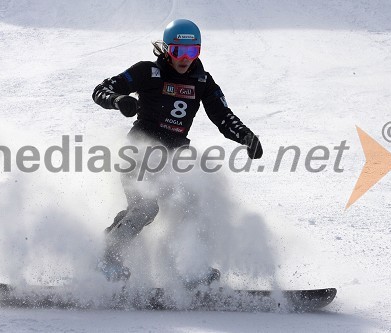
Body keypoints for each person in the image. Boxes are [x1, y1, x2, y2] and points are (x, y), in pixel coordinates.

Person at [92, 19, 263, 283]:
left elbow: (223, 116)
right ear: (166, 50)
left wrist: (246, 136)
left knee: (194, 204)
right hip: (138, 153)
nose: (185, 59)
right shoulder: (147, 72)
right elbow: (101, 90)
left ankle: (193, 270)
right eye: (178, 51)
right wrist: (119, 100)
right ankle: (107, 258)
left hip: (173, 158)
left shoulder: (202, 81)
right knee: (145, 209)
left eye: (192, 52)